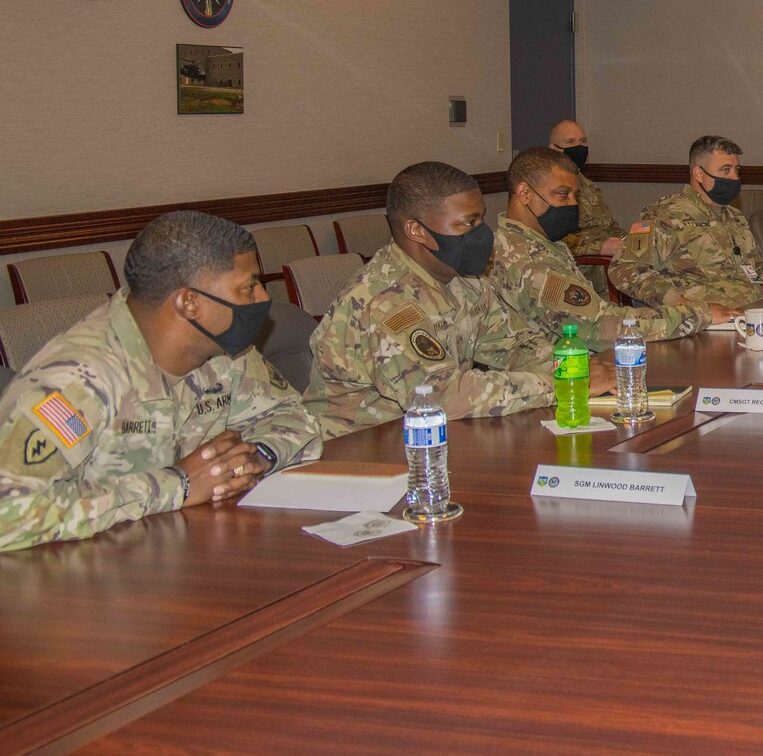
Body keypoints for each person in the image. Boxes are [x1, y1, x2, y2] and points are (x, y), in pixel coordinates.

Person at [0, 211, 321, 552]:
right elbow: (9, 511)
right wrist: (177, 484)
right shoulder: (78, 381)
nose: (264, 299)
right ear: (189, 303)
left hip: (183, 551)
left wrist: (255, 458)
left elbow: (294, 418)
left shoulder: (224, 350)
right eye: (249, 287)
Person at [307, 162, 608, 439]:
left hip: (429, 438)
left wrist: (574, 369)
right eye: (468, 223)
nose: (482, 234)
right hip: (358, 451)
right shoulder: (385, 300)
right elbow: (439, 395)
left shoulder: (462, 277)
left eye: (481, 219)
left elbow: (515, 344)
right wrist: (561, 385)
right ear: (416, 230)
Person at [491, 148, 715, 347]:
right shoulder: (531, 262)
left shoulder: (527, 242)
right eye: (563, 195)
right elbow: (598, 328)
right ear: (524, 193)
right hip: (561, 371)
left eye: (575, 195)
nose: (573, 204)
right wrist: (697, 314)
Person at [611, 135, 763, 310]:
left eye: (737, 170)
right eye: (725, 170)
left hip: (755, 312)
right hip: (707, 319)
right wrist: (680, 304)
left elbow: (758, 271)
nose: (735, 178)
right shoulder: (664, 215)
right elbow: (626, 269)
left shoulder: (735, 217)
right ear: (699, 173)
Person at [548, 119, 622, 258]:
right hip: (580, 265)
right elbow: (552, 243)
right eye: (570, 142)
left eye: (582, 141)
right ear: (553, 149)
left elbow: (609, 226)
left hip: (609, 262)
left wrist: (629, 241)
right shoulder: (548, 189)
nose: (579, 146)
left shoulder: (588, 185)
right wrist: (599, 248)